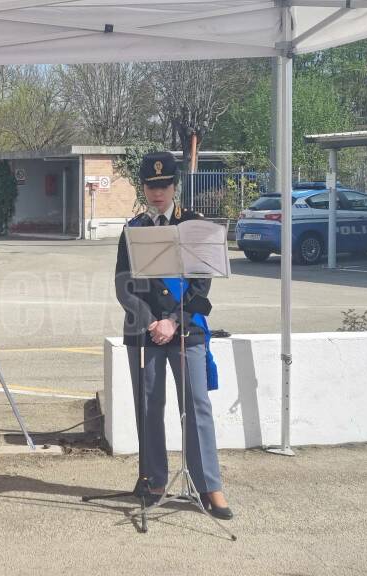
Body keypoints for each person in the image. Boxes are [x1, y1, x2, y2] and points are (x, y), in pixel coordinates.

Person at [113, 151, 232, 519]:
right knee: (148, 407)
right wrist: (151, 320)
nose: (158, 192)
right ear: (143, 187)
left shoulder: (194, 225)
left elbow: (202, 283)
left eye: (164, 185)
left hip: (187, 327)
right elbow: (122, 285)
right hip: (144, 330)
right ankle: (154, 479)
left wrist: (173, 321)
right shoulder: (133, 228)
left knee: (196, 406)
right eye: (151, 185)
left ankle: (209, 484)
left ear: (175, 185)